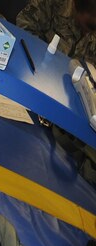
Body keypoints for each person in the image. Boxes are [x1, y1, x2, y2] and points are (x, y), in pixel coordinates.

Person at [17, 0, 96, 187]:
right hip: (33, 88)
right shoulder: (53, 4)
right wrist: (51, 66)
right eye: (89, 24)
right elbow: (23, 26)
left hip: (74, 114)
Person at [16, 0, 96, 63]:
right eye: (91, 26)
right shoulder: (53, 5)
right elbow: (24, 23)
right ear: (77, 7)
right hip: (35, 66)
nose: (89, 33)